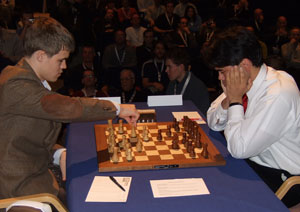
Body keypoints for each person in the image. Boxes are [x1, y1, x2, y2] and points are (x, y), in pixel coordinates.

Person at [0, 16, 139, 208]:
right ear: (41, 55)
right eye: (60, 60)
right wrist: (117, 109)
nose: (64, 66)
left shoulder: (29, 78)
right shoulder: (17, 84)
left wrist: (58, 153)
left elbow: (25, 136)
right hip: (18, 184)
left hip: (36, 171)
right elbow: (65, 107)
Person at [205, 26, 300, 208]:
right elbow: (213, 122)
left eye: (222, 71)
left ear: (244, 66)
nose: (219, 77)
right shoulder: (244, 82)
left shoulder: (279, 92)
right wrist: (228, 100)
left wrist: (234, 100)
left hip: (283, 177)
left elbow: (239, 148)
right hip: (252, 164)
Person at [165, 47, 210, 115]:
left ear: (181, 67)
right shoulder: (172, 83)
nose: (166, 70)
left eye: (169, 67)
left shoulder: (198, 88)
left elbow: (203, 115)